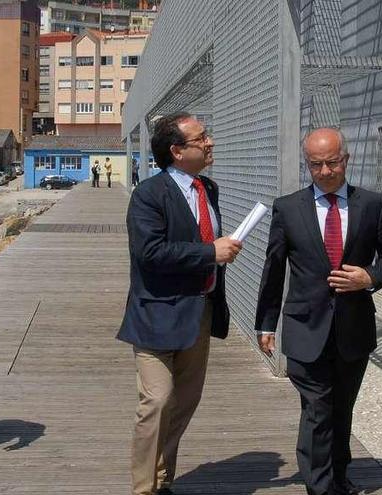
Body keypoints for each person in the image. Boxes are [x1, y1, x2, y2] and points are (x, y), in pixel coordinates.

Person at [255, 128, 382, 495]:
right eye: (316, 164)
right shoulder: (288, 208)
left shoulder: (372, 204)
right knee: (318, 409)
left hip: (353, 329)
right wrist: (266, 322)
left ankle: (339, 476)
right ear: (307, 164)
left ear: (346, 159)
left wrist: (369, 276)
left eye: (332, 162)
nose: (325, 171)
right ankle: (320, 487)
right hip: (306, 327)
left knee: (341, 410)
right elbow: (274, 269)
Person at [117, 112, 243, 495]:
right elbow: (149, 252)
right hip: (156, 314)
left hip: (199, 312)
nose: (210, 143)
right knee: (157, 400)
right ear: (176, 150)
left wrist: (218, 253)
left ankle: (161, 479)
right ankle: (143, 488)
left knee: (184, 402)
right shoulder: (149, 195)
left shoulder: (208, 188)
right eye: (201, 138)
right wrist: (209, 253)